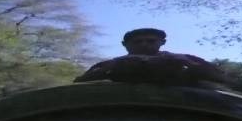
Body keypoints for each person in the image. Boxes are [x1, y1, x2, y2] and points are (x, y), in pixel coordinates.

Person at [74, 28, 226, 87]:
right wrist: (107, 70)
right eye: (138, 41)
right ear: (125, 45)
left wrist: (191, 66)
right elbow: (79, 83)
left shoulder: (182, 58)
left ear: (162, 42)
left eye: (151, 41)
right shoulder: (111, 63)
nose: (144, 44)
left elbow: (222, 79)